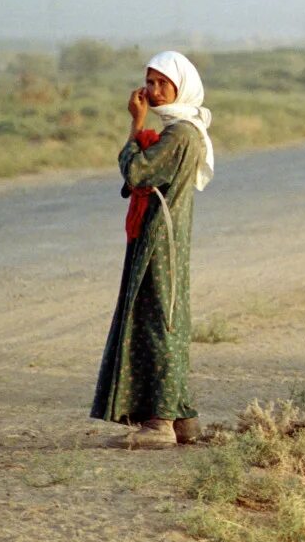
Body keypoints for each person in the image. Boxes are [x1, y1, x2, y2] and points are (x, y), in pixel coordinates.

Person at [91, 51, 215, 448]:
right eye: (149, 81)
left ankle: (158, 423)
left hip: (161, 239)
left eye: (162, 83)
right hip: (160, 235)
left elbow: (137, 172)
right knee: (164, 319)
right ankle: (181, 419)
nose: (152, 90)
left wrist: (135, 124)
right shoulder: (182, 130)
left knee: (157, 321)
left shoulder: (180, 134)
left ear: (182, 86)